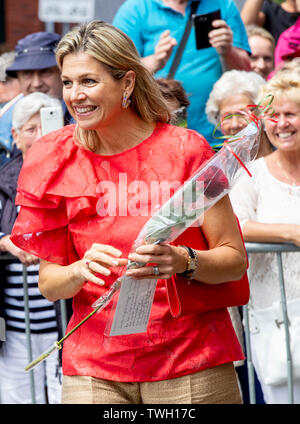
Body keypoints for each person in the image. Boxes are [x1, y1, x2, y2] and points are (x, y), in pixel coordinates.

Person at [10, 21, 248, 404]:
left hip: (190, 360)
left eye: (88, 81)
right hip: (93, 369)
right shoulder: (54, 157)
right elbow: (49, 283)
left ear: (127, 83)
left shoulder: (187, 149)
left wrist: (182, 260)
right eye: (68, 82)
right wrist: (78, 270)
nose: (75, 95)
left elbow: (234, 260)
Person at [229, 69, 300, 404]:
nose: (281, 123)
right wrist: (291, 233)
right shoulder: (252, 174)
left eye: (291, 114)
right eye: (273, 115)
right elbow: (235, 225)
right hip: (275, 320)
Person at [113, 0, 251, 146]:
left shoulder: (223, 4)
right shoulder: (135, 9)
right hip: (159, 137)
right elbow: (116, 74)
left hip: (217, 138)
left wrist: (228, 50)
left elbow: (246, 74)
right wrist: (155, 61)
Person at [0, 92, 64, 404]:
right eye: (30, 129)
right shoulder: (2, 181)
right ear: (15, 136)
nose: (40, 137)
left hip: (64, 321)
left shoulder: (74, 176)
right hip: (12, 325)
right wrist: (5, 241)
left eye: (47, 126)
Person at [0, 32, 74, 167]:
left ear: (62, 73)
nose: (36, 83)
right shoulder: (4, 121)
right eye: (27, 73)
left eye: (45, 72)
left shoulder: (81, 117)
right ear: (18, 78)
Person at [206, 69, 273, 158]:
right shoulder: (220, 168)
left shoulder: (287, 153)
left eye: (242, 114)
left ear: (262, 111)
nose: (235, 124)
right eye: (227, 116)